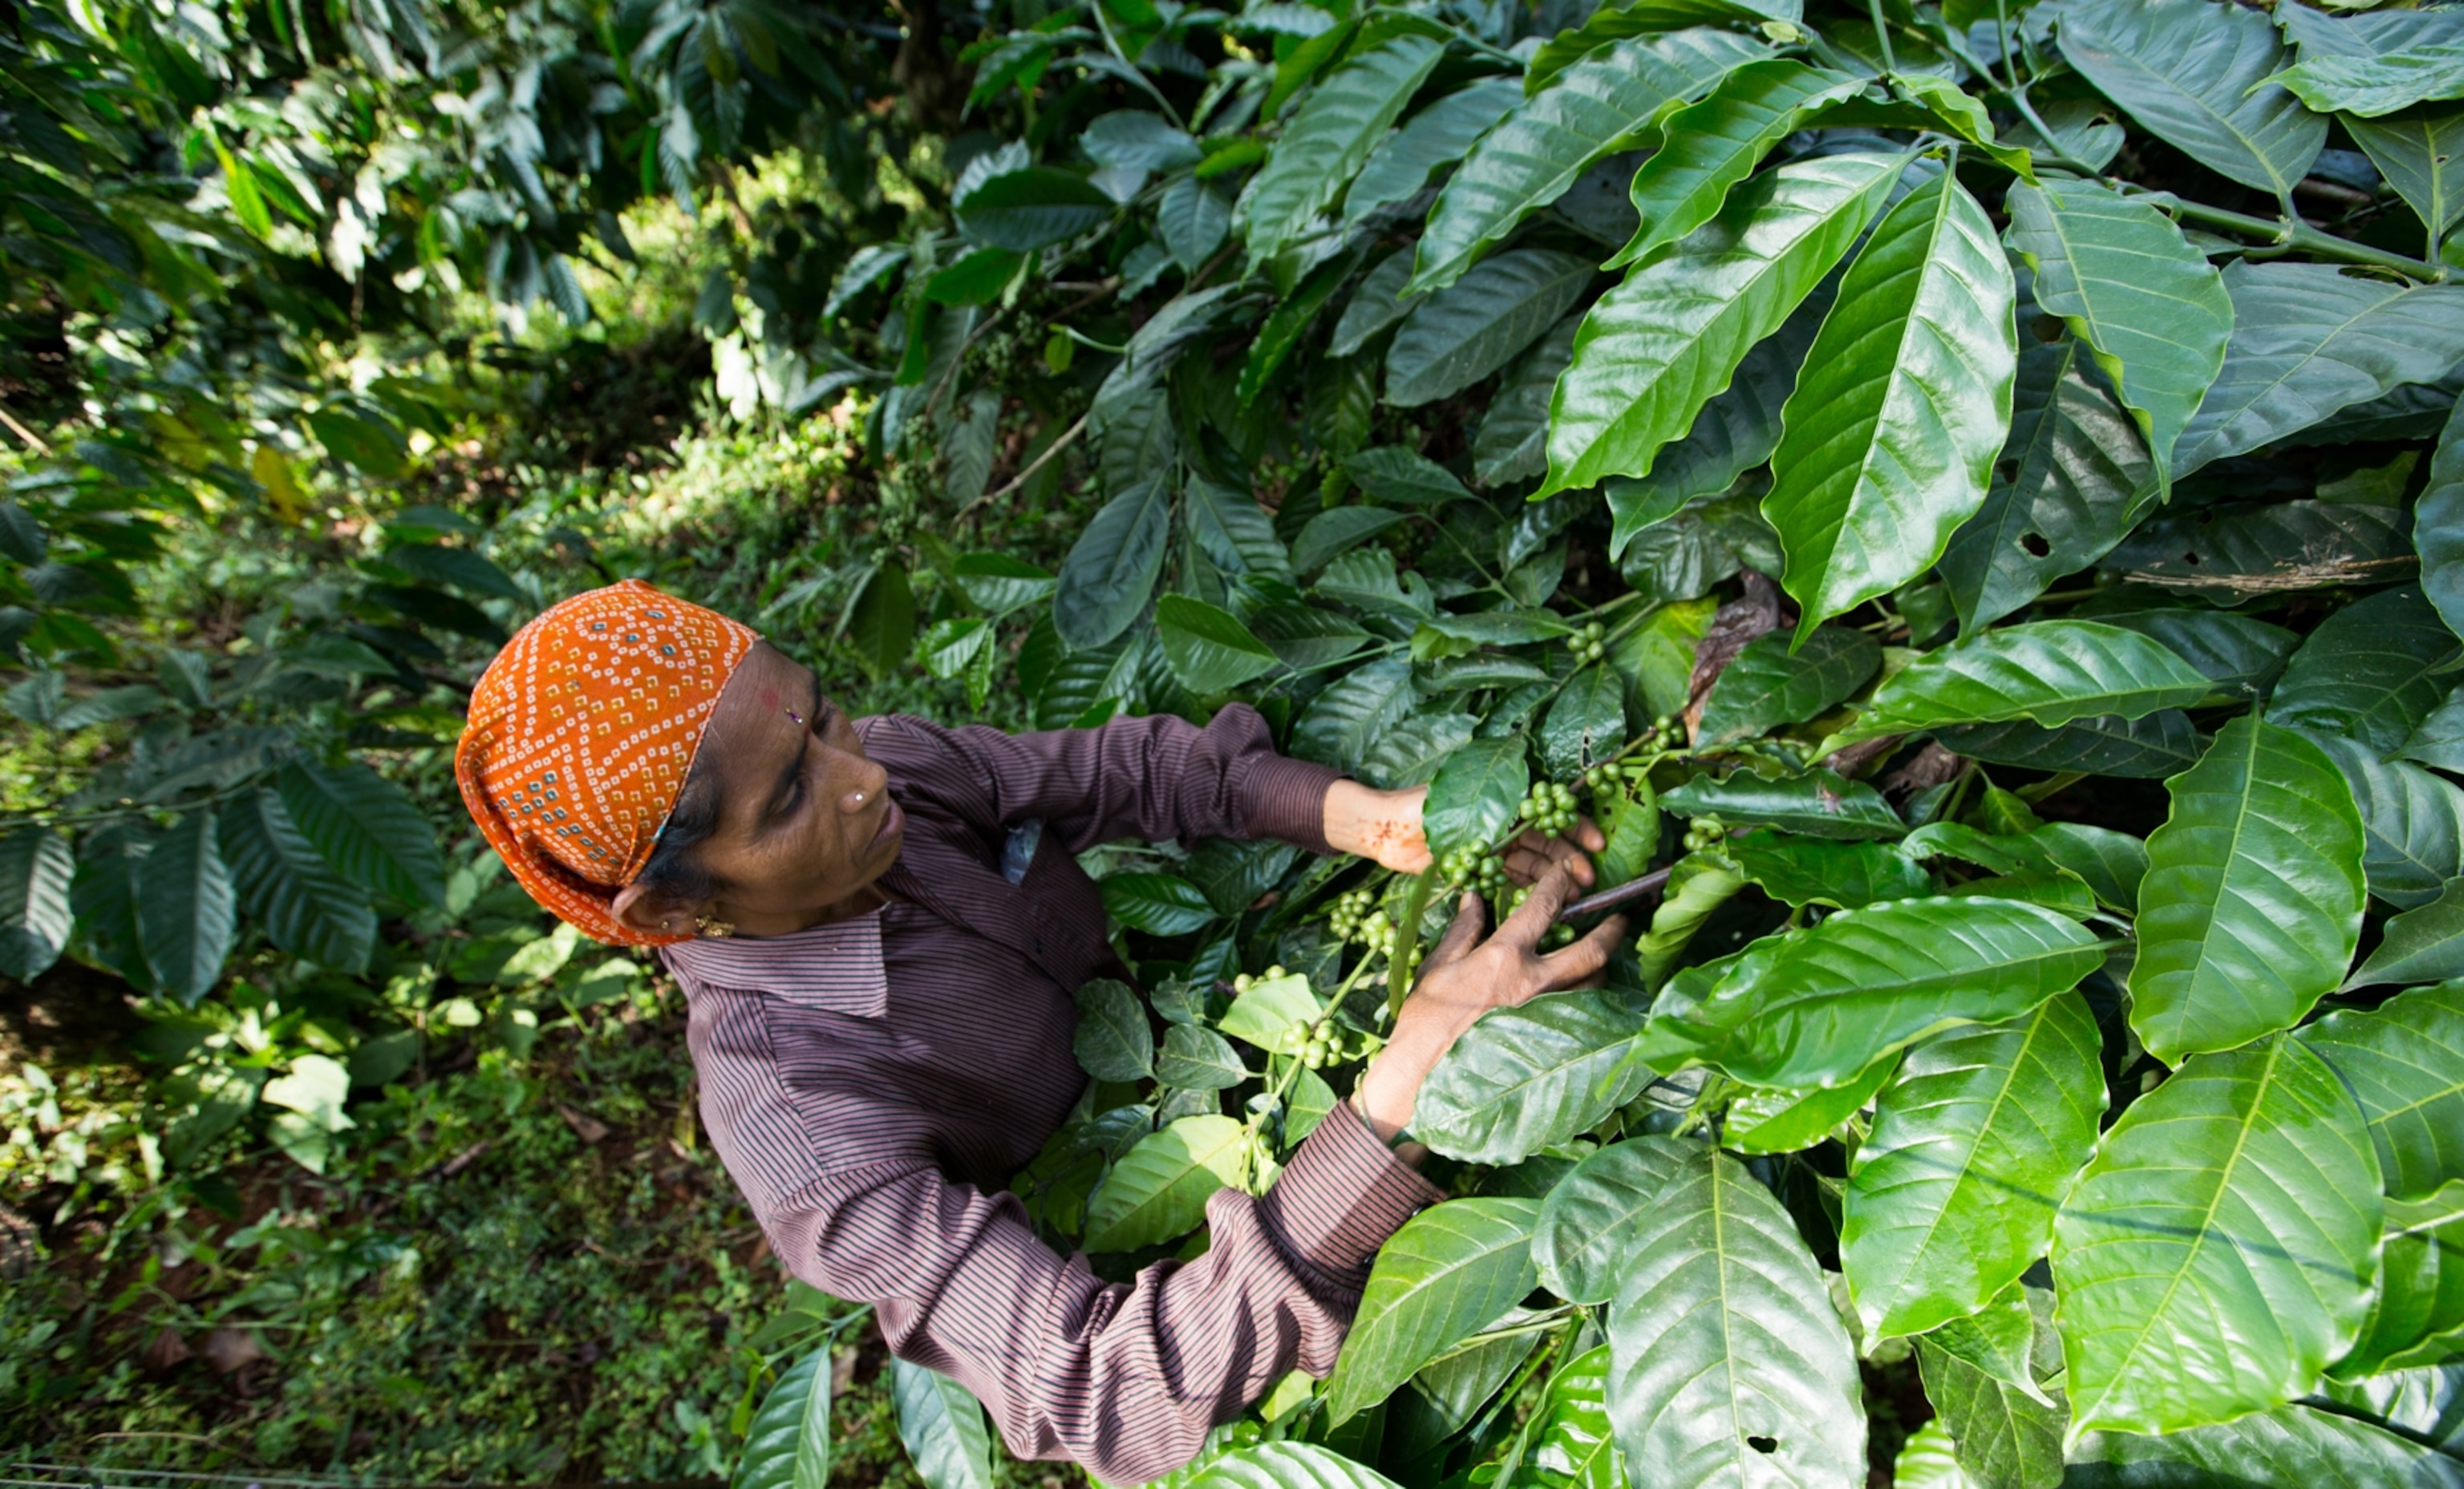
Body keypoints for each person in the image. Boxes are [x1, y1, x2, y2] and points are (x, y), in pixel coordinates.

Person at [454, 580, 1627, 1483]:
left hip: (1172, 1064)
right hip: (1138, 1253)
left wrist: (1364, 819)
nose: (860, 778)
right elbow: (1095, 1383)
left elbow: (1123, 772)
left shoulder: (882, 772)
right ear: (671, 909)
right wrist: (1391, 1100)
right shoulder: (801, 1128)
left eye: (821, 717)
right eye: (789, 800)